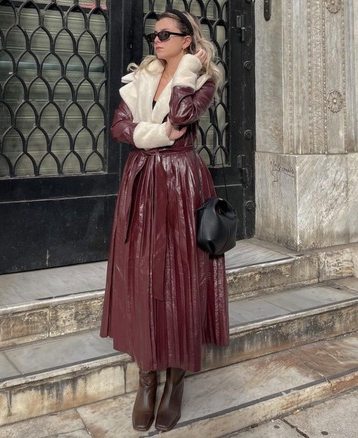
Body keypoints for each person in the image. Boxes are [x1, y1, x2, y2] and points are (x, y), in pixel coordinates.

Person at [99, 9, 229, 433]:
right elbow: (119, 127)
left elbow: (181, 117)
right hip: (141, 180)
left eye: (166, 35)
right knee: (142, 272)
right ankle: (147, 377)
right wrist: (151, 136)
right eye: (154, 34)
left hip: (180, 180)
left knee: (179, 273)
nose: (156, 41)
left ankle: (174, 380)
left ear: (187, 40)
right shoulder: (140, 77)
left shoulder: (204, 80)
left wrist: (187, 72)